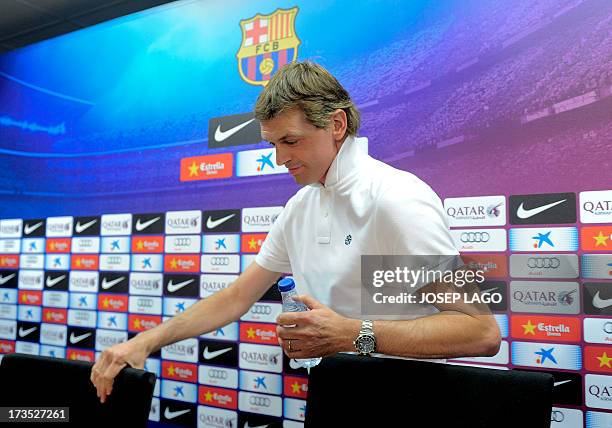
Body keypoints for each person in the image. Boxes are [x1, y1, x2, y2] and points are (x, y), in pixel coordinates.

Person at [91, 61, 501, 403]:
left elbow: (478, 331)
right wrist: (145, 341)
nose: (279, 157)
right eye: (273, 143)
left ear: (336, 124)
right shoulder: (302, 205)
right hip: (335, 390)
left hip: (410, 402)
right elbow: (237, 296)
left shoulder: (395, 198)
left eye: (291, 141)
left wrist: (352, 334)